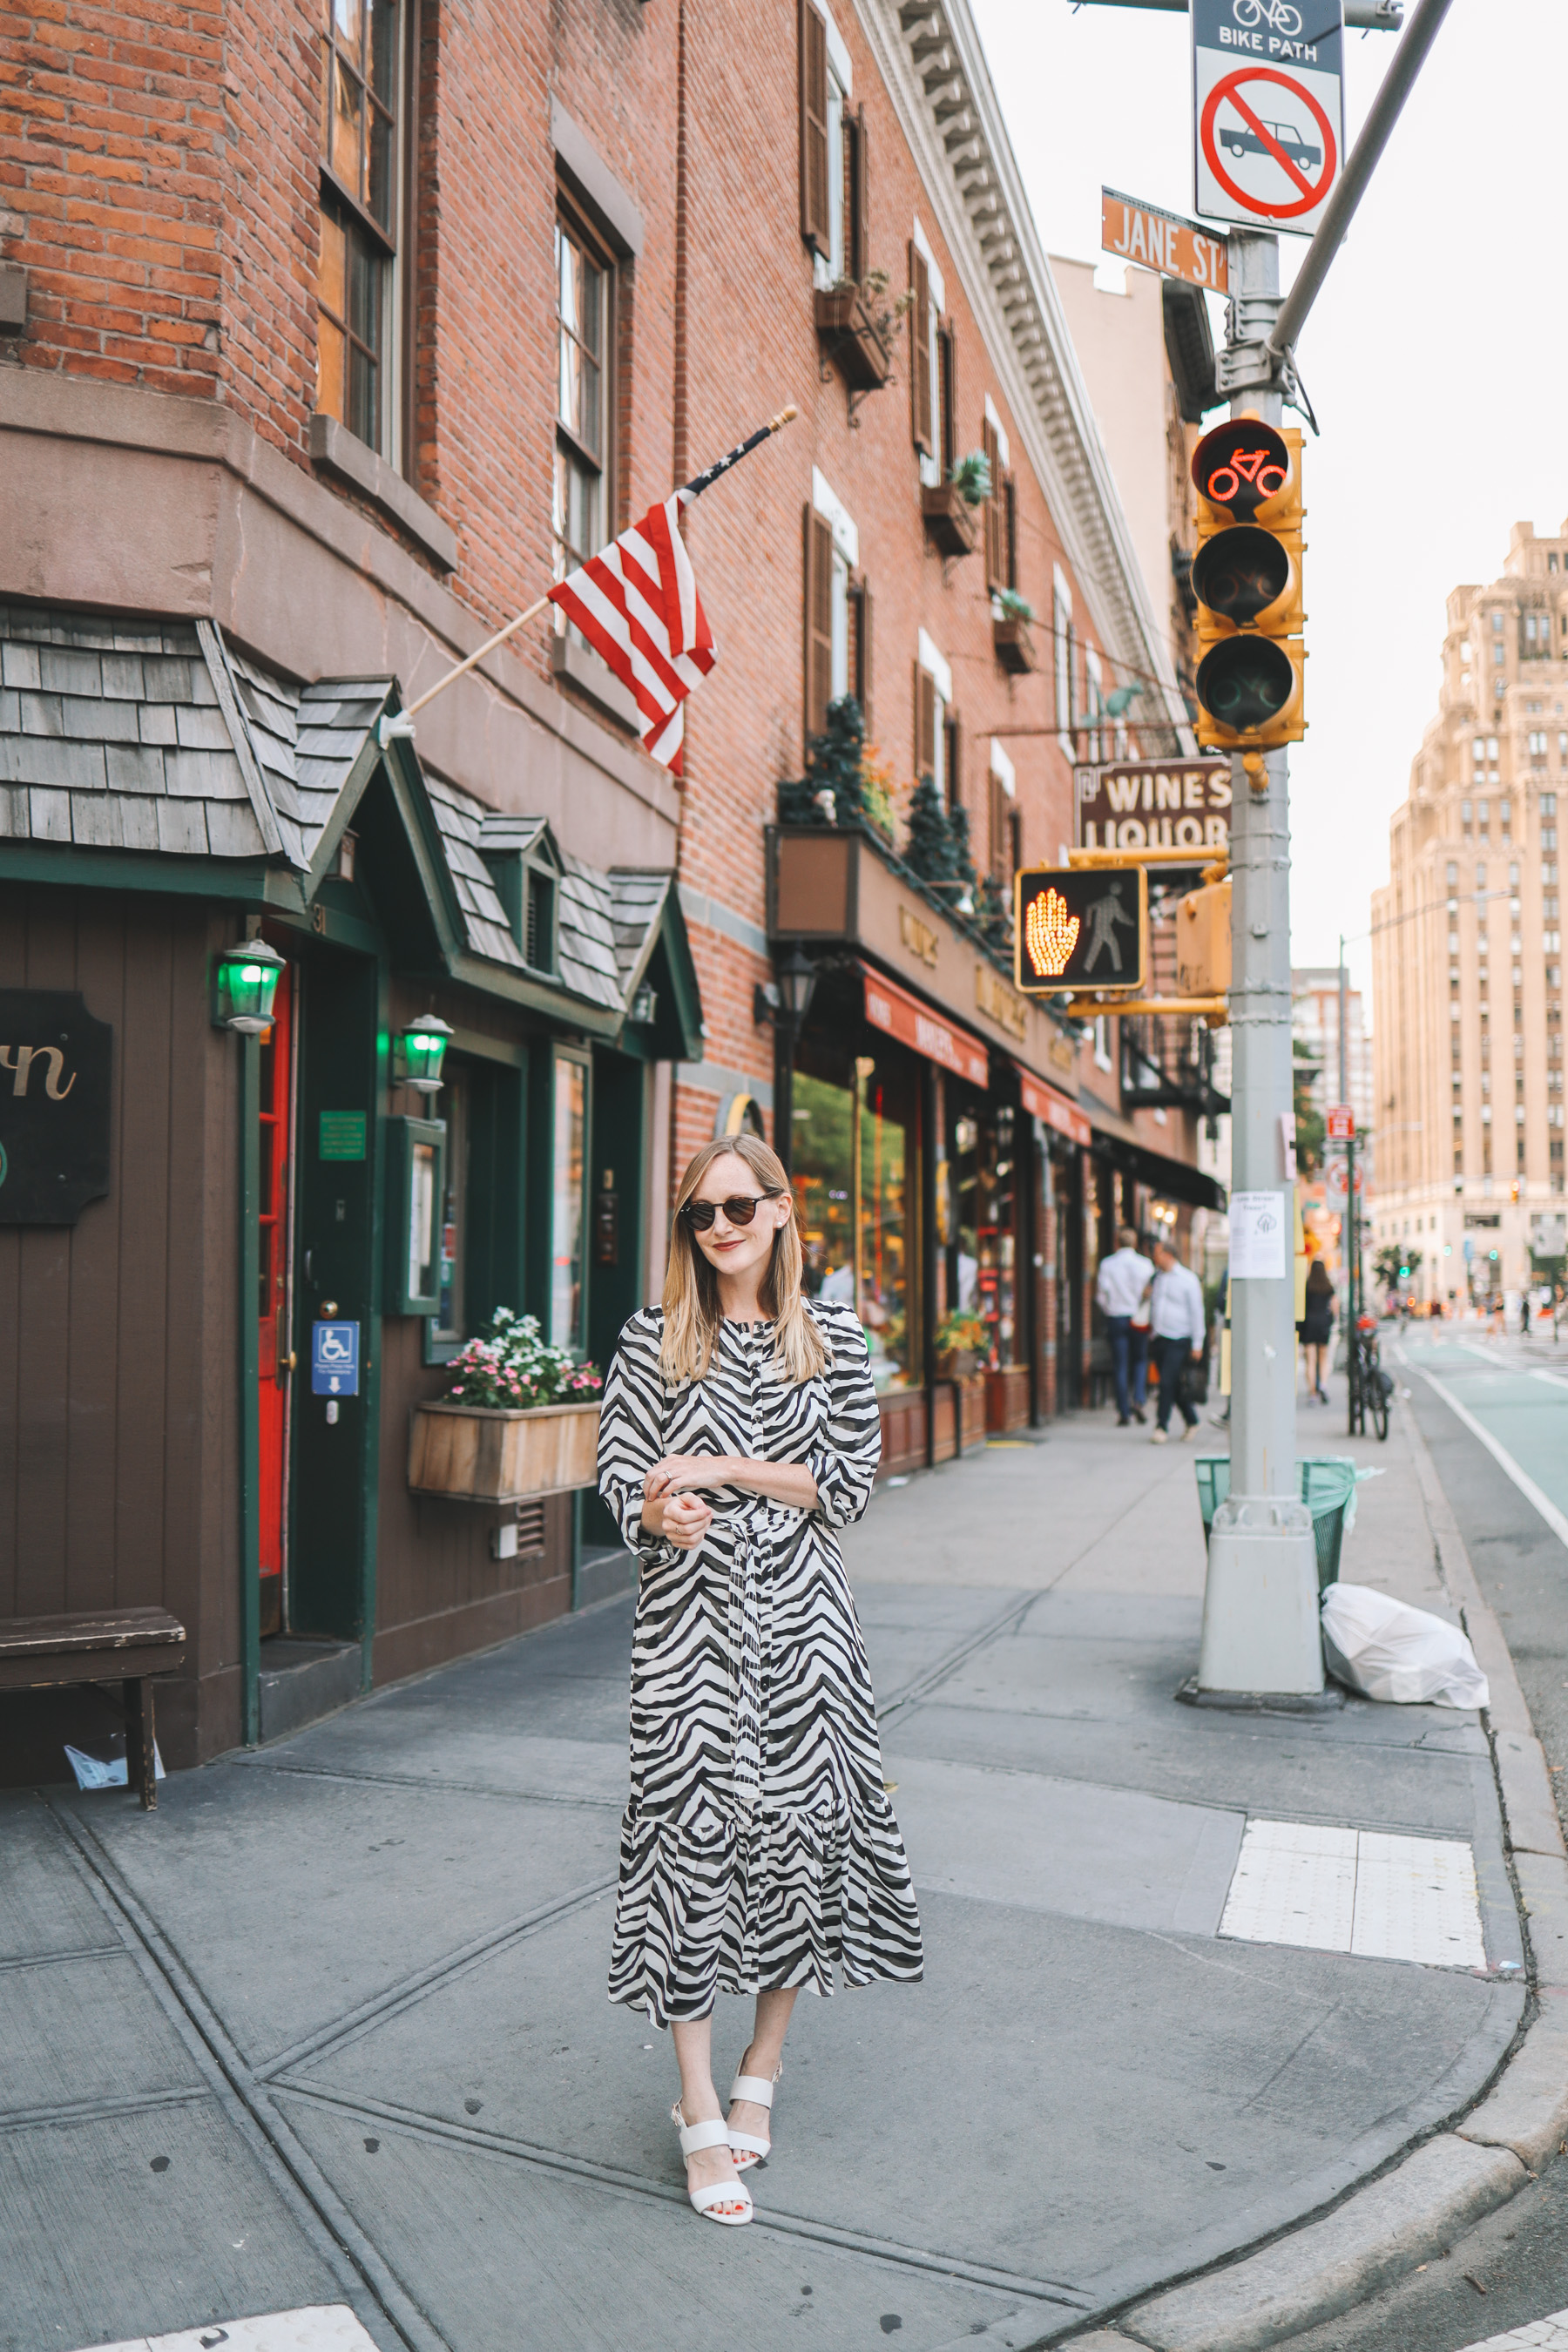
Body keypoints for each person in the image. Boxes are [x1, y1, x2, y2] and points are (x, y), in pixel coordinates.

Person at [596, 1132, 923, 2228]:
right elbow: (616, 1474)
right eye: (700, 1214)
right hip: (685, 1638)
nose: (721, 1229)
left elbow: (850, 1485)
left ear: (783, 1211)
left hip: (806, 1639)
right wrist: (655, 1513)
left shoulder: (835, 1337)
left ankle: (760, 2073)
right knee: (685, 1858)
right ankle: (697, 2112)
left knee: (798, 1853)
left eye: (740, 1207)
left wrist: (724, 1467)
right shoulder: (652, 1340)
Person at [1095, 1224, 1153, 1427]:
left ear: (1117, 1242)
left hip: (1117, 1317)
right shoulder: (1145, 1264)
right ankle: (1138, 1399)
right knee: (1139, 1360)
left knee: (1120, 1364)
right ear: (1135, 1243)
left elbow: (1101, 1296)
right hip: (1138, 1317)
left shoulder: (1108, 1264)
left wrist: (1110, 1310)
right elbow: (1150, 1294)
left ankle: (1124, 1411)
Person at [1147, 1238, 1205, 1443]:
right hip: (1159, 1337)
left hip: (1179, 1338)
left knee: (1166, 1383)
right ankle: (1192, 1420)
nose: (1154, 1256)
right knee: (1173, 1384)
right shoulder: (1157, 1278)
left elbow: (1197, 1311)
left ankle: (1161, 1426)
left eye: (1157, 1253)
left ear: (1168, 1255)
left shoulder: (1187, 1279)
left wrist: (1198, 1343)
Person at [1299, 1256, 1335, 1402]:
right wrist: (1331, 1320)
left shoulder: (1307, 1286)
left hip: (1309, 1323)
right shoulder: (1328, 1287)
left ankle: (1312, 1392)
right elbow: (1334, 1307)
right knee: (1323, 1358)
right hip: (1323, 1323)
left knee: (1310, 1360)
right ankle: (1323, 1385)